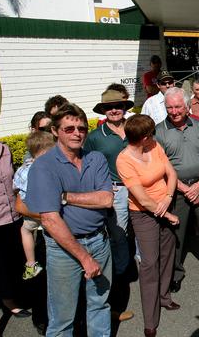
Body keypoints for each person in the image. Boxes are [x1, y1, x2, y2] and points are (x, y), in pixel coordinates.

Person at [25, 103, 114, 336]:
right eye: (69, 128)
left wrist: (64, 196)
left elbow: (106, 199)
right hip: (63, 249)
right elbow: (50, 219)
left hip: (99, 241)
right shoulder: (43, 166)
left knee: (100, 305)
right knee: (63, 317)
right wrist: (85, 258)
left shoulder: (96, 158)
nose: (77, 133)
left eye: (82, 128)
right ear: (55, 131)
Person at [116, 114, 180, 337]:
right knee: (150, 264)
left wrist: (167, 198)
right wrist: (167, 215)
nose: (153, 136)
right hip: (144, 216)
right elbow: (142, 199)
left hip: (164, 206)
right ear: (142, 138)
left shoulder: (154, 146)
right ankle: (151, 320)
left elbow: (171, 172)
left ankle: (164, 298)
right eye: (150, 134)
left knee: (167, 254)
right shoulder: (124, 160)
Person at [84, 88, 136, 322]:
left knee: (139, 235)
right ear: (104, 111)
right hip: (115, 191)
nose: (114, 110)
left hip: (140, 189)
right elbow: (87, 167)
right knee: (119, 238)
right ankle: (118, 288)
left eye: (118, 105)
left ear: (125, 107)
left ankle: (134, 275)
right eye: (109, 107)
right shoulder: (96, 137)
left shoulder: (134, 128)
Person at [155, 87, 199, 293]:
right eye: (169, 107)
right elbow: (161, 166)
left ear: (187, 107)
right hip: (176, 190)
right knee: (176, 234)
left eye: (178, 106)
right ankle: (176, 274)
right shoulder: (159, 131)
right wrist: (184, 188)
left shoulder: (197, 126)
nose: (174, 111)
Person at [0, 139, 31, 337]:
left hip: (13, 217)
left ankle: (9, 301)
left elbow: (13, 181)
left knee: (10, 264)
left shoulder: (3, 148)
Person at [15, 132, 55, 281]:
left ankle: (31, 263)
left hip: (29, 208)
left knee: (25, 231)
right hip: (46, 206)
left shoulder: (24, 168)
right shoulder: (49, 167)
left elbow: (15, 186)